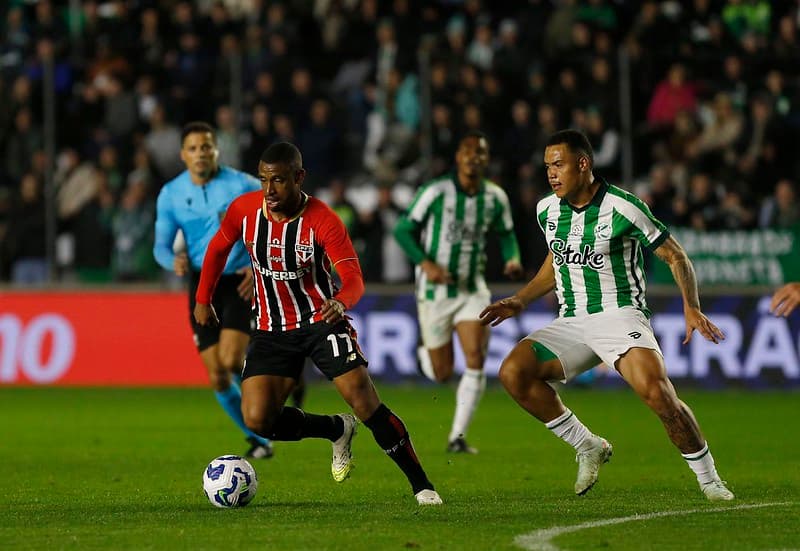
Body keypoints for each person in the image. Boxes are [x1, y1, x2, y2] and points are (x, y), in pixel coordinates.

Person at [479, 129, 734, 501]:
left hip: (619, 315)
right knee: (513, 373)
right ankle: (588, 445)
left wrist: (690, 305)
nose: (551, 174)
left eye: (559, 165)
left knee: (658, 395)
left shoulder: (623, 206)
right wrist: (520, 300)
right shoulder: (546, 209)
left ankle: (709, 479)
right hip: (572, 322)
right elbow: (557, 260)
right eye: (548, 166)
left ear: (583, 164)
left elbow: (675, 255)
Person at [193, 142, 442, 505]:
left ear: (299, 177)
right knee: (258, 420)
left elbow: (353, 277)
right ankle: (335, 429)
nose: (269, 190)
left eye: (278, 181)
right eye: (264, 180)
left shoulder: (323, 219)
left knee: (363, 399)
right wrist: (203, 300)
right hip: (271, 328)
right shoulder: (245, 210)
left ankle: (422, 485)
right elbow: (217, 250)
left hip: (321, 320)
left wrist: (340, 301)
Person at [394, 130, 523, 454]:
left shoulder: (495, 197)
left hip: (472, 288)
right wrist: (426, 264)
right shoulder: (435, 192)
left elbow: (507, 233)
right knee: (441, 374)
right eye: (468, 151)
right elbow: (403, 229)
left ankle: (457, 437)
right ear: (458, 157)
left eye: (480, 152)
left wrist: (512, 258)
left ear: (486, 159)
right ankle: (424, 353)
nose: (474, 157)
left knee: (476, 357)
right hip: (437, 291)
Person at [153, 121, 274, 459]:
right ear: (183, 155)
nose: (200, 153)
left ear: (216, 149)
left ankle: (270, 387)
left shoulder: (243, 185)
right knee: (218, 376)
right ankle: (260, 439)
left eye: (206, 146)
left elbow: (273, 225)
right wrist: (170, 261)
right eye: (193, 148)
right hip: (201, 283)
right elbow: (160, 247)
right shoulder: (171, 194)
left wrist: (256, 263)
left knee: (231, 358)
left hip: (239, 279)